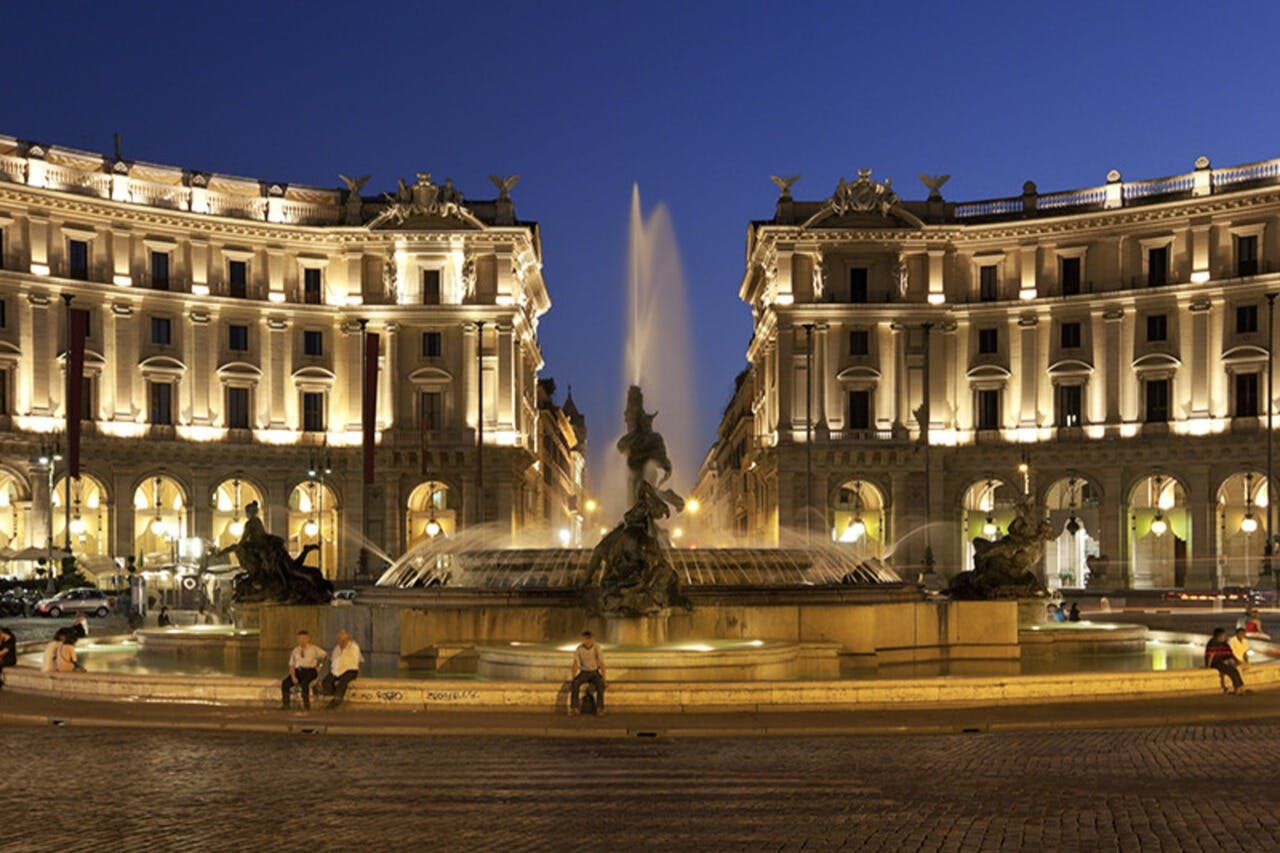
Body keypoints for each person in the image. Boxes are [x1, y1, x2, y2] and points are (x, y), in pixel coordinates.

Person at [280, 630, 326, 710]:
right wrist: (293, 676)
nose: (302, 641)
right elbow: (292, 665)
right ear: (298, 639)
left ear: (308, 639)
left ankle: (306, 706)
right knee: (285, 683)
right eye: (300, 639)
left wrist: (320, 666)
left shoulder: (314, 648)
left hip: (310, 670)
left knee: (305, 684)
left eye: (304, 638)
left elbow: (325, 655)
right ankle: (286, 704)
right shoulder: (295, 651)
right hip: (299, 671)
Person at [320, 629, 362, 709]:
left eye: (343, 639)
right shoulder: (337, 648)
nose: (341, 641)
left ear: (347, 639)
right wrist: (331, 671)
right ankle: (333, 695)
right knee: (326, 682)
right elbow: (333, 661)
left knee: (342, 682)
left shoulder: (353, 647)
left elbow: (357, 660)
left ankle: (336, 700)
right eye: (339, 639)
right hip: (337, 671)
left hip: (350, 670)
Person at [568, 630, 607, 716]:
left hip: (594, 672)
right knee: (575, 684)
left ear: (592, 639)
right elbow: (575, 663)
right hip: (584, 672)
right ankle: (574, 707)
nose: (587, 640)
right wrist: (573, 677)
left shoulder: (597, 647)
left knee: (600, 685)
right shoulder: (579, 649)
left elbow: (601, 663)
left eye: (589, 638)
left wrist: (604, 678)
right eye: (585, 638)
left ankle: (600, 708)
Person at [1205, 628, 1244, 695]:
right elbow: (1211, 655)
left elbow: (1230, 653)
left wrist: (1237, 661)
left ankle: (1240, 687)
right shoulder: (1213, 642)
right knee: (1231, 671)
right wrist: (1208, 666)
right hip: (1216, 662)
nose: (1225, 636)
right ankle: (1237, 689)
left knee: (1235, 670)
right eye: (1223, 635)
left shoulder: (1223, 643)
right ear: (1219, 635)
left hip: (1221, 661)